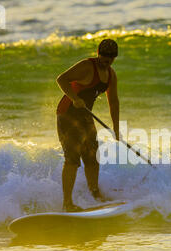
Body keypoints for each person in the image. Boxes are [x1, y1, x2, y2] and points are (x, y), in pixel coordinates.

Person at [56, 39, 119, 212]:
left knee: (92, 156)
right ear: (98, 53)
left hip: (85, 116)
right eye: (104, 57)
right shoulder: (86, 66)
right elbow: (61, 79)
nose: (106, 61)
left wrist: (116, 129)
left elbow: (113, 102)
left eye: (110, 58)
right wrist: (75, 98)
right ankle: (67, 203)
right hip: (68, 114)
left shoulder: (111, 75)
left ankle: (95, 194)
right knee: (72, 158)